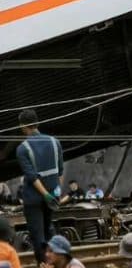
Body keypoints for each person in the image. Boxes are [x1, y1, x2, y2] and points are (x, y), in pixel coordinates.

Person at [16, 109, 63, 265]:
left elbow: (32, 176)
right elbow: (60, 170)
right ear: (37, 122)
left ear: (23, 126)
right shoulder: (55, 142)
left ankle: (44, 264)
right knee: (49, 230)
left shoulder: (23, 148)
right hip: (52, 195)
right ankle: (57, 263)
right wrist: (56, 192)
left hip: (34, 199)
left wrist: (45, 194)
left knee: (38, 235)